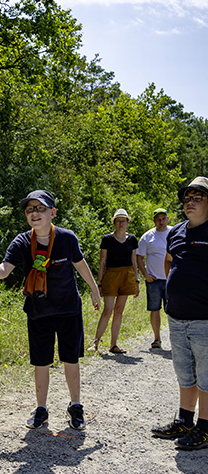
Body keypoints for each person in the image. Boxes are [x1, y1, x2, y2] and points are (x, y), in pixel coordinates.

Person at [0, 189, 100, 431]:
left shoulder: (66, 238)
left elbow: (80, 264)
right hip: (38, 311)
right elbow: (3, 271)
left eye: (40, 208)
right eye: (30, 209)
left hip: (68, 309)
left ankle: (76, 406)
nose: (35, 213)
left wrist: (94, 289)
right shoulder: (22, 242)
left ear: (52, 213)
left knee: (70, 359)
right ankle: (41, 409)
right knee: (41, 362)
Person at [152, 176, 208, 450]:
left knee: (206, 376)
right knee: (185, 373)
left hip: (204, 318)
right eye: (187, 199)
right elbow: (168, 262)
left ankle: (205, 429)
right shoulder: (176, 232)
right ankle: (185, 421)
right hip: (176, 316)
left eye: (197, 198)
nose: (190, 203)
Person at [88, 208, 139, 354]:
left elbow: (134, 261)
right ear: (114, 223)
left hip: (127, 275)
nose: (121, 223)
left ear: (127, 222)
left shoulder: (133, 239)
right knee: (108, 310)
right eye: (118, 221)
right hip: (110, 275)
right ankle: (95, 343)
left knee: (119, 311)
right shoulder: (107, 239)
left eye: (124, 221)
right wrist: (99, 283)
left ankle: (113, 344)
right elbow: (102, 262)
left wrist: (136, 281)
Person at [136, 208, 171, 349]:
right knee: (154, 309)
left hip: (171, 279)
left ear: (167, 218)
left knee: (174, 310)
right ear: (154, 220)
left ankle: (176, 339)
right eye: (158, 219)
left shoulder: (174, 233)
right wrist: (145, 275)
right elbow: (139, 257)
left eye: (163, 218)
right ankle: (157, 339)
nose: (161, 221)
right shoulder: (147, 236)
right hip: (154, 280)